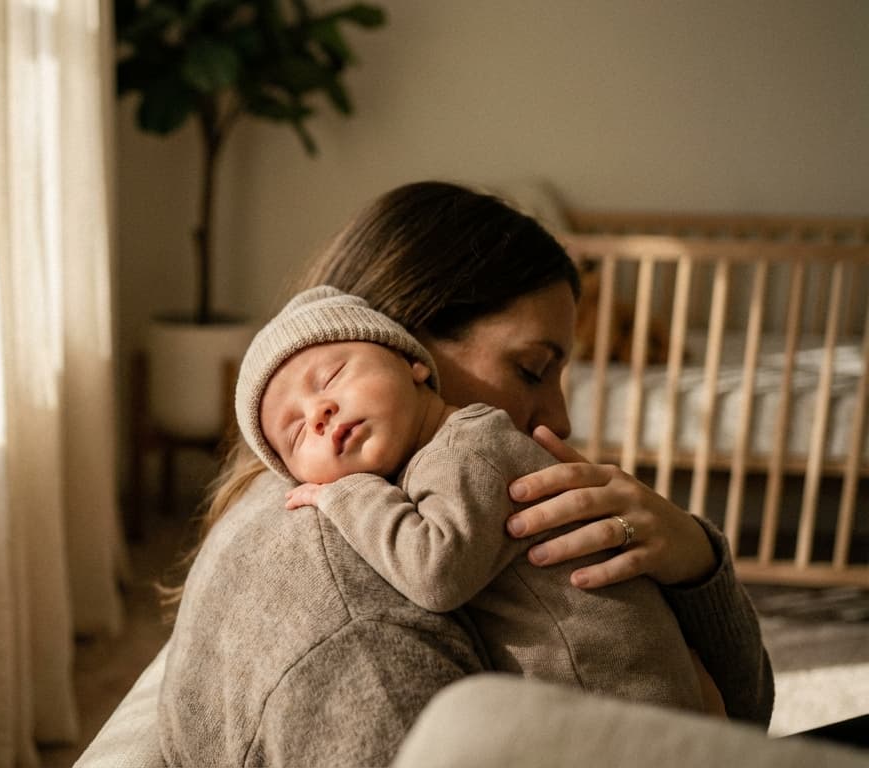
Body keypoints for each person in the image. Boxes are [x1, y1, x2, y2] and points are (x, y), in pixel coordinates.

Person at [158, 181, 773, 766]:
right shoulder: (356, 601)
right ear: (406, 346)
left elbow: (747, 722)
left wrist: (694, 562)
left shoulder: (376, 499)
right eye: (531, 368)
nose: (558, 418)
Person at [235, 284, 712, 714]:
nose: (319, 413)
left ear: (412, 363)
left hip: (616, 703)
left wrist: (349, 492)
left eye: (332, 376)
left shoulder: (469, 446)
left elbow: (437, 573)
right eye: (297, 433)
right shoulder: (434, 459)